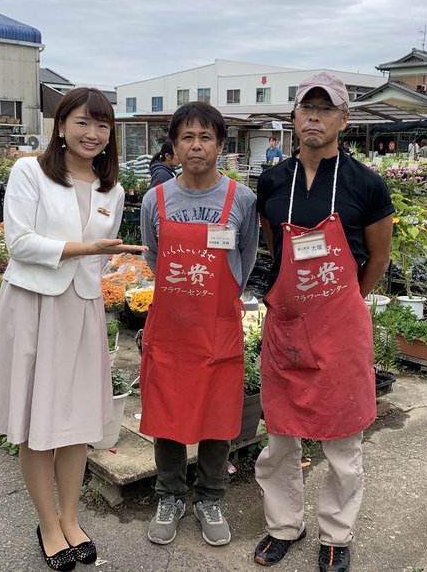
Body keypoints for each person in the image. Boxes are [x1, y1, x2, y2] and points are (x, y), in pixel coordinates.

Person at [0, 87, 146, 572]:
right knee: (38, 424)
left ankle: (71, 518)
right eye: (82, 123)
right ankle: (48, 523)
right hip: (33, 306)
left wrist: (114, 263)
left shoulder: (113, 188)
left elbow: (101, 252)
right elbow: (21, 242)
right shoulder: (30, 171)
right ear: (62, 125)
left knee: (73, 424)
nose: (92, 134)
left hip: (83, 308)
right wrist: (86, 251)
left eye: (102, 126)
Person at [254, 72, 394, 572]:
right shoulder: (272, 180)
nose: (314, 117)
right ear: (293, 118)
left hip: (341, 328)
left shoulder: (366, 184)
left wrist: (344, 304)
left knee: (342, 442)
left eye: (325, 109)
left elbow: (378, 258)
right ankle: (283, 525)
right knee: (280, 439)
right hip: (286, 324)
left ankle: (336, 533)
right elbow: (274, 244)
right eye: (305, 108)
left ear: (344, 120)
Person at [139, 101, 259, 548]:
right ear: (174, 145)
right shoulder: (157, 198)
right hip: (170, 327)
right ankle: (169, 494)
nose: (195, 146)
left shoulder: (241, 199)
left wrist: (217, 296)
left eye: (205, 137)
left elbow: (244, 260)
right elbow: (153, 254)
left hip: (217, 327)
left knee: (217, 416)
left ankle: (210, 497)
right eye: (186, 137)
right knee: (167, 414)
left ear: (221, 145)